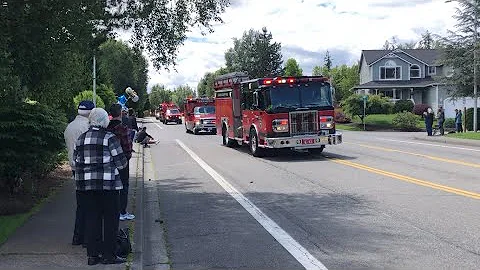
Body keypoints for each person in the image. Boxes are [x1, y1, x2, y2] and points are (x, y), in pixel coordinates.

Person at [73, 108, 128, 265]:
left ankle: (92, 255)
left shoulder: (81, 138)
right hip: (107, 186)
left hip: (85, 187)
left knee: (92, 219)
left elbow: (75, 160)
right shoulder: (109, 137)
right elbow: (121, 162)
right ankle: (108, 255)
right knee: (110, 220)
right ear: (105, 120)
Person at [64, 100, 94, 247]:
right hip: (86, 169)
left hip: (74, 168)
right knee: (91, 205)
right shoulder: (86, 128)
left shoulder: (70, 126)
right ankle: (88, 238)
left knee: (81, 204)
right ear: (90, 112)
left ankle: (78, 236)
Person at [107, 104, 135, 221]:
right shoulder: (122, 128)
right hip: (122, 162)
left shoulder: (106, 128)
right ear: (120, 114)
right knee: (123, 186)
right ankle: (122, 212)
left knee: (110, 186)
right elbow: (127, 147)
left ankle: (111, 211)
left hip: (108, 162)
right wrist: (127, 158)